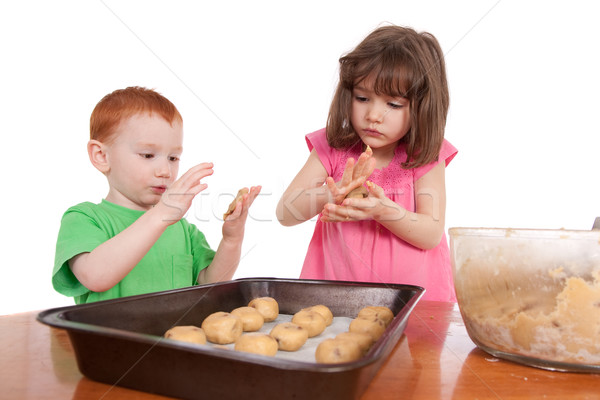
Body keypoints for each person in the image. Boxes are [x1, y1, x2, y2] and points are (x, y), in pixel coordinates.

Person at [276, 25, 457, 302]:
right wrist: (330, 194)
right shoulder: (333, 148)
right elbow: (285, 212)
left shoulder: (425, 155)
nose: (373, 115)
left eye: (393, 105)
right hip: (336, 303)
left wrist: (383, 211)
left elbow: (431, 233)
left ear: (422, 108)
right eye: (362, 98)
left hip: (415, 306)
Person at [53, 86, 261, 304]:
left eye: (173, 158)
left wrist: (232, 239)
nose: (165, 171)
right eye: (148, 155)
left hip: (176, 337)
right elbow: (95, 277)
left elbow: (211, 286)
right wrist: (159, 216)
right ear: (101, 156)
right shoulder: (83, 219)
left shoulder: (182, 229)